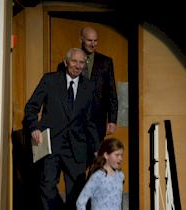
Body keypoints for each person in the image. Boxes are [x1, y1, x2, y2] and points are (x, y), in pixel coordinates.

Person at [24, 48, 100, 210]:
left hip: (78, 148)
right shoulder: (50, 80)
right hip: (51, 144)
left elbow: (91, 121)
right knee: (47, 186)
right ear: (66, 62)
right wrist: (34, 128)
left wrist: (96, 148)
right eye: (74, 61)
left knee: (77, 193)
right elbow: (31, 107)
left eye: (82, 62)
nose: (78, 66)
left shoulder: (89, 87)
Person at [57, 26, 118, 144]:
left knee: (95, 156)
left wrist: (112, 120)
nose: (93, 44)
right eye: (89, 40)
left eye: (95, 41)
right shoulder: (66, 63)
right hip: (73, 120)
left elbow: (111, 92)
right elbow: (60, 92)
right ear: (81, 40)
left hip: (97, 120)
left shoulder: (106, 62)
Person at [76, 138, 125, 210]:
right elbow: (80, 202)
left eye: (121, 155)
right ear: (106, 155)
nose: (120, 158)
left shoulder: (120, 175)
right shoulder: (97, 176)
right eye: (117, 155)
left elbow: (119, 201)